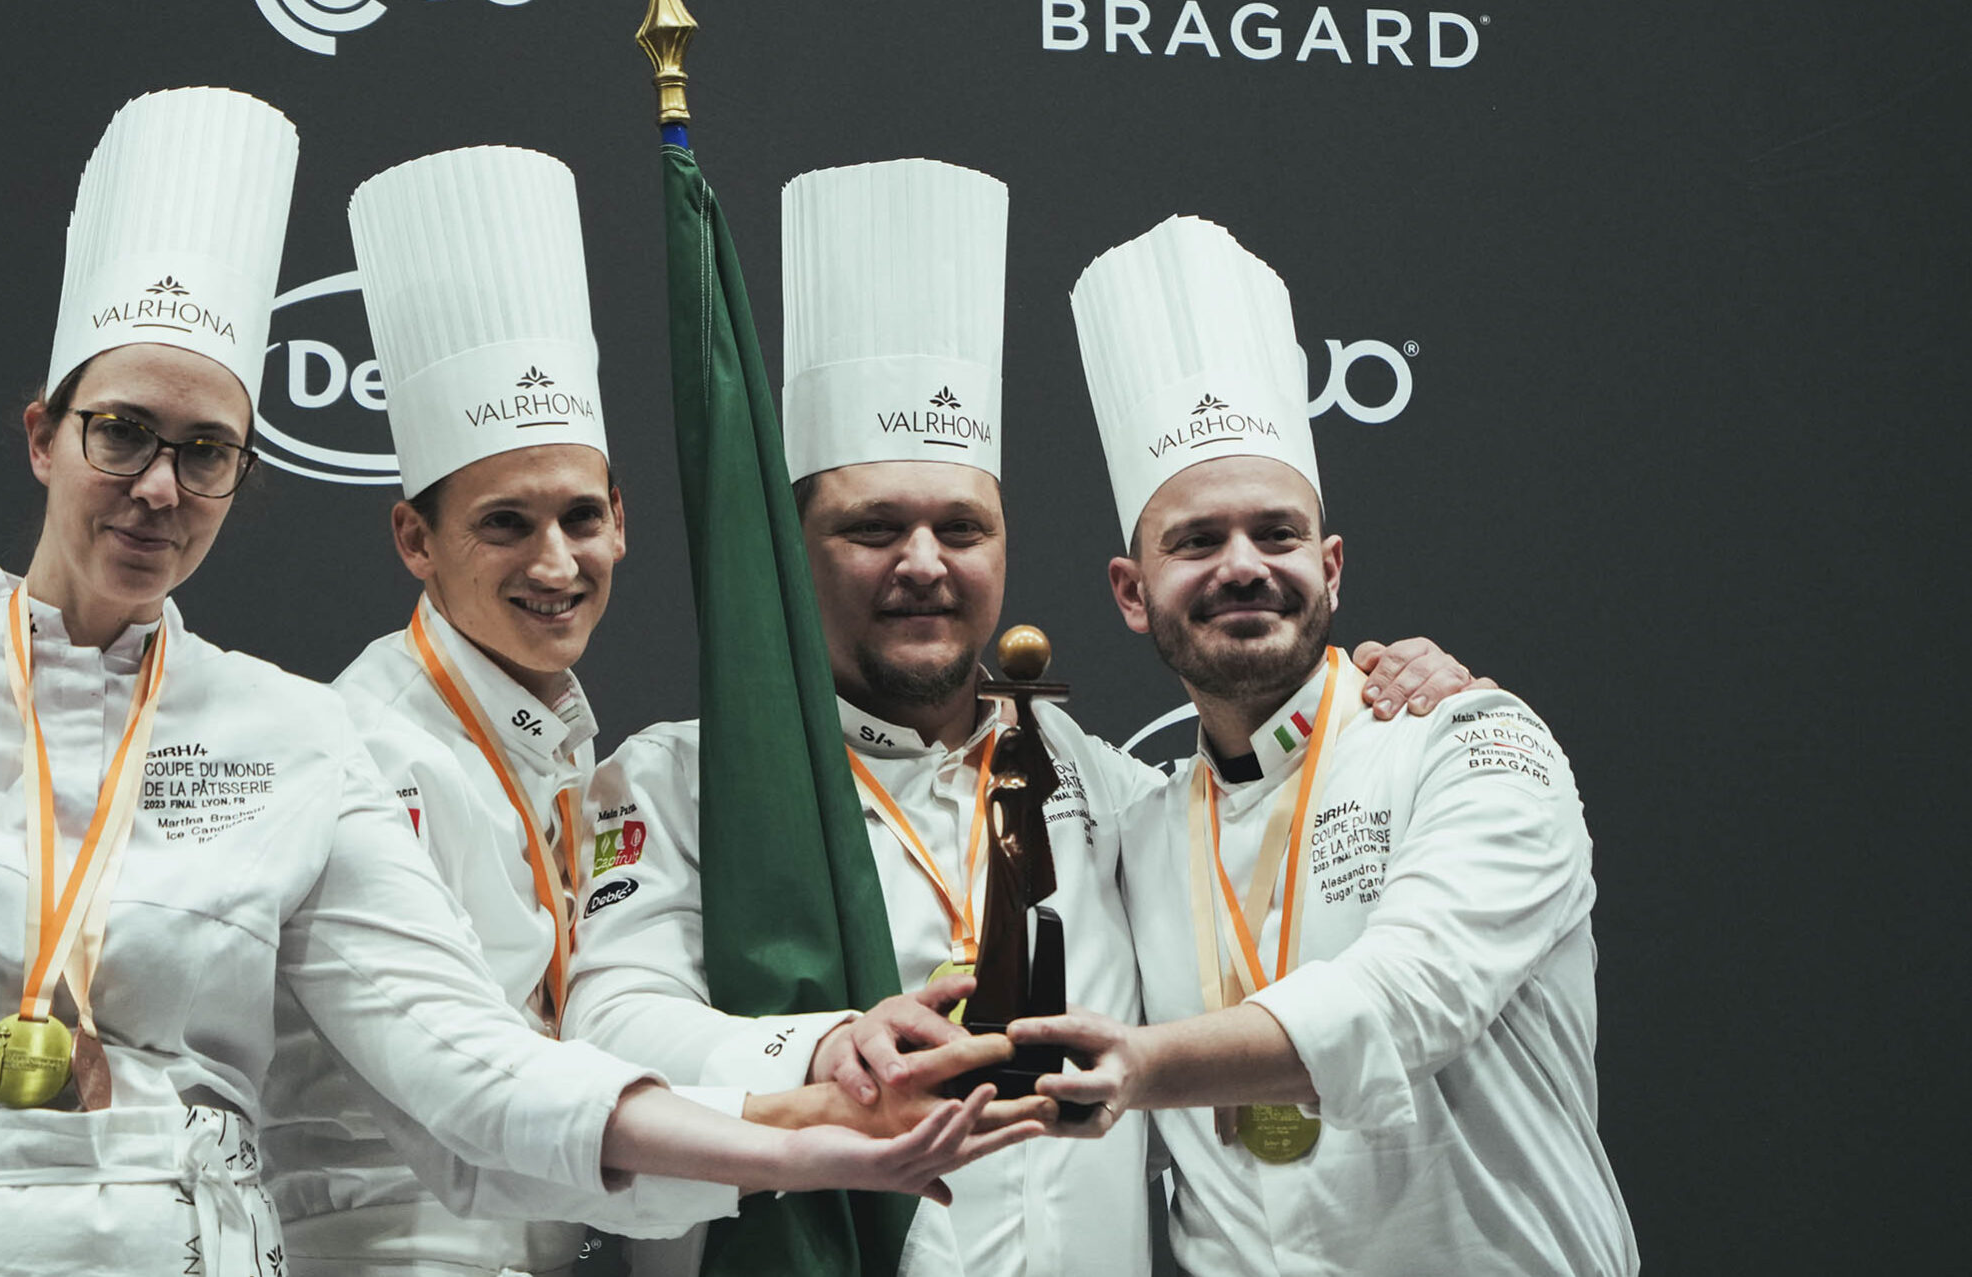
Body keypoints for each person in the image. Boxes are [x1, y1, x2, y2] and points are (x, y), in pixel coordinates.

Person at [0, 90, 1038, 1277]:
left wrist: (797, 1130)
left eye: (207, 449)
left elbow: (463, 1062)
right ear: (43, 435)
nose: (160, 486)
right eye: (122, 432)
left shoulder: (289, 733)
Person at [566, 160, 1484, 1277]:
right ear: (793, 556)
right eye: (872, 528)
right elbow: (608, 1030)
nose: (923, 563)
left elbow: (1270, 813)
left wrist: (1394, 684)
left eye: (962, 527)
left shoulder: (1113, 792)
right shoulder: (678, 780)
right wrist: (823, 1044)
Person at [259, 146, 1029, 1277]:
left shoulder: (564, 747)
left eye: (580, 516)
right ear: (414, 538)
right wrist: (808, 1122)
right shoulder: (361, 750)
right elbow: (474, 1086)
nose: (555, 563)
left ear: (622, 519)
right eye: (505, 523)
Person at [1011, 214, 1637, 1274]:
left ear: (1331, 567)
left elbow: (1410, 992)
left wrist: (1141, 1064)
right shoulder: (1135, 823)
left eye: (1277, 533)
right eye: (1196, 540)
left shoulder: (1471, 741)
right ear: (1131, 591)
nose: (1242, 565)